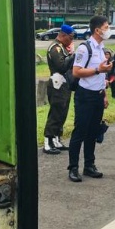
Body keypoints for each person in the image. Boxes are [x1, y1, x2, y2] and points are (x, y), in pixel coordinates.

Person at [67, 15, 112, 182]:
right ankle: (73, 168)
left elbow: (101, 74)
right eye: (106, 27)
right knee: (80, 131)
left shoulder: (101, 48)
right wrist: (98, 71)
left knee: (93, 132)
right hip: (85, 95)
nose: (108, 30)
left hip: (98, 95)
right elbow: (76, 72)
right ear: (97, 30)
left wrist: (105, 94)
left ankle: (89, 165)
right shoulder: (85, 48)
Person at [43, 24, 75, 154]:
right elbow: (61, 66)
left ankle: (56, 138)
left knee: (63, 112)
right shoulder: (55, 48)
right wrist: (73, 56)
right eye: (71, 37)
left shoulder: (62, 48)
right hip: (57, 84)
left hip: (64, 84)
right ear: (63, 35)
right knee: (56, 113)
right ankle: (48, 141)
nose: (72, 40)